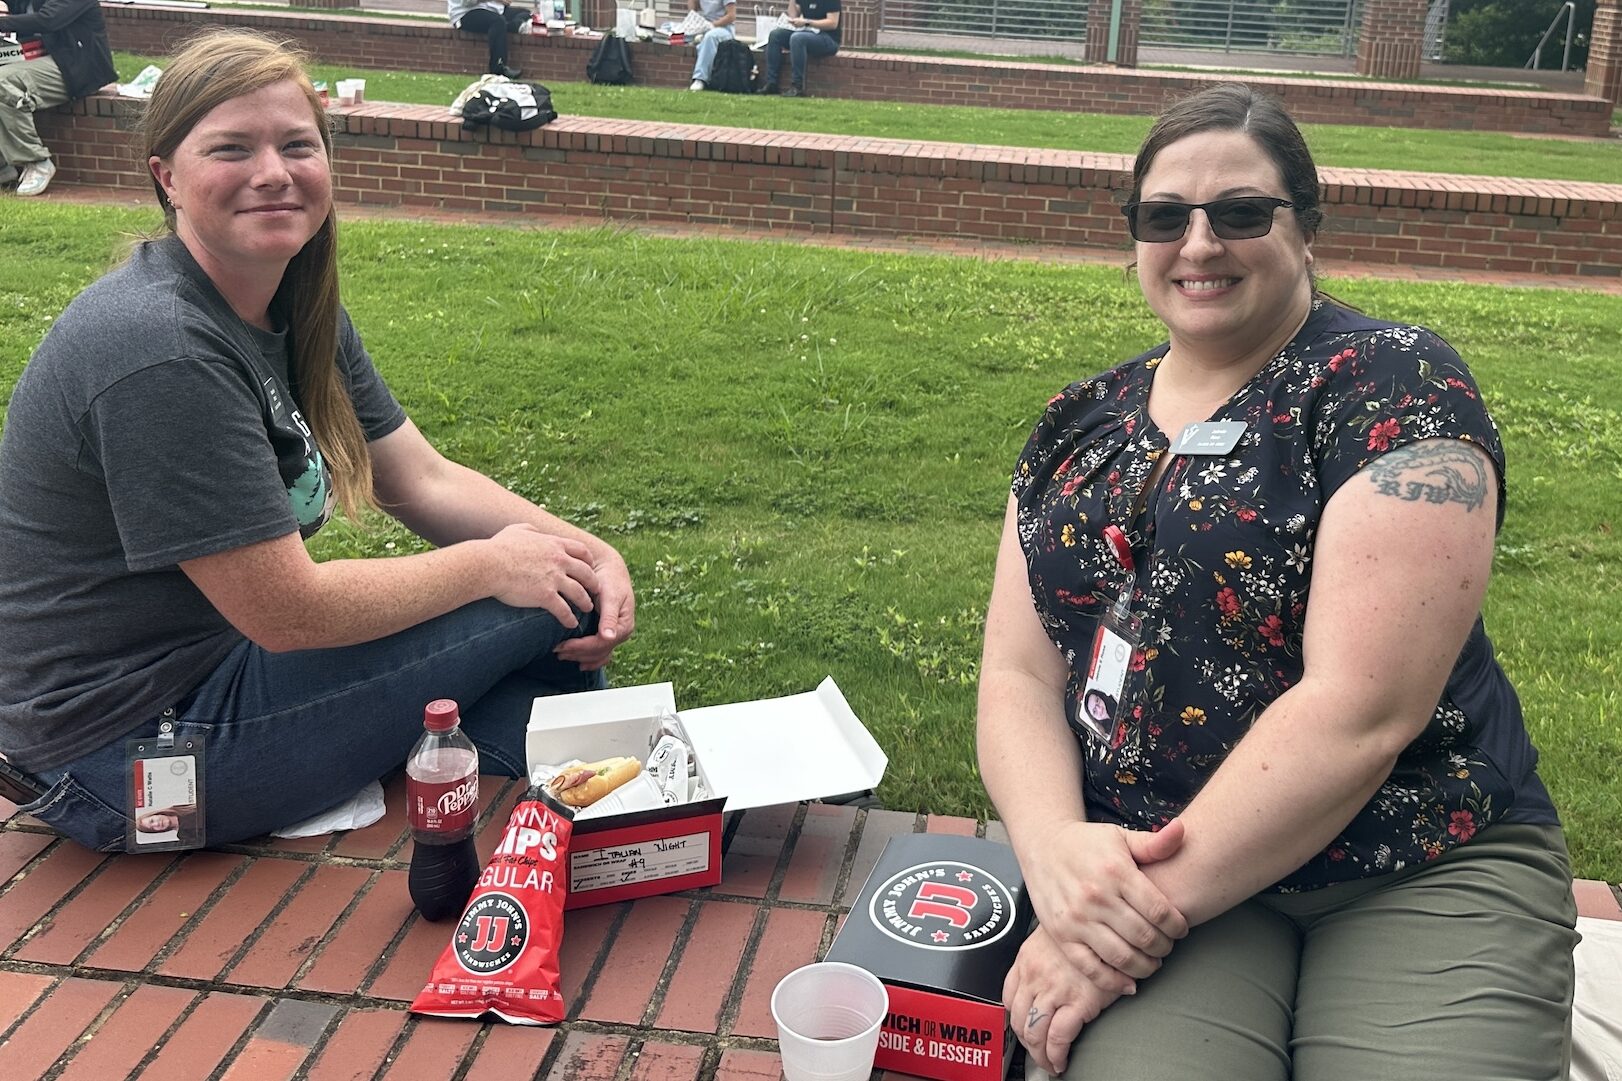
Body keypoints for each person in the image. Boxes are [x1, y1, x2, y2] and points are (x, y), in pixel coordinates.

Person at [978, 82, 1577, 1081]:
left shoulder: (1394, 387)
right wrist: (1055, 861)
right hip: (1151, 854)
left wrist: (1108, 929)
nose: (1199, 243)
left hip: (1416, 851)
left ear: (1305, 229)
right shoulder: (1073, 427)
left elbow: (1358, 712)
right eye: (1165, 217)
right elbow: (1015, 676)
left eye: (1240, 213)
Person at [0, 29, 636, 854]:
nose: (273, 172)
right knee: (540, 597)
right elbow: (287, 611)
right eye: (232, 148)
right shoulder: (158, 347)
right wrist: (501, 565)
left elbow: (423, 479)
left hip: (224, 679)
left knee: (566, 666)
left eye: (297, 145)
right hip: (126, 758)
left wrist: (588, 546)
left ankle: (644, 799)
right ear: (166, 175)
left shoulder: (293, 307)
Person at [0, 0, 116, 197]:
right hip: (35, 58)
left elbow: (48, 20)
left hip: (77, 66)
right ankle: (4, 167)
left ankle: (36, 162)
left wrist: (3, 22)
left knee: (3, 83)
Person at [756, 0, 839, 98]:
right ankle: (771, 83)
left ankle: (797, 87)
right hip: (807, 32)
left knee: (797, 38)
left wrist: (807, 22)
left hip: (827, 38)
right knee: (775, 35)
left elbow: (833, 23)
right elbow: (793, 15)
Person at [448, 0, 530, 79]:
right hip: (465, 14)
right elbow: (467, 2)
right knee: (498, 21)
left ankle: (510, 26)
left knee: (526, 13)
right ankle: (498, 68)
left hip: (490, 10)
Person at [687, 0, 737, 92]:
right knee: (669, 28)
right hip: (703, 26)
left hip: (723, 29)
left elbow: (731, 16)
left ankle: (700, 79)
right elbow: (693, 12)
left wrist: (711, 25)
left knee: (710, 37)